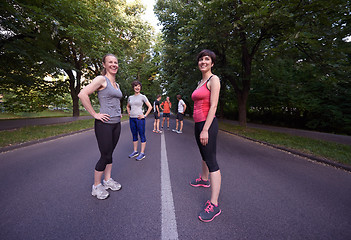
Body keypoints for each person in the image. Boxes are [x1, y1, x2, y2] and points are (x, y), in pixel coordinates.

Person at [78, 53, 123, 200]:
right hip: (104, 125)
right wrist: (95, 114)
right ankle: (96, 186)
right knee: (104, 156)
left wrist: (119, 113)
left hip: (116, 124)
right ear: (104, 64)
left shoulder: (117, 84)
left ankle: (107, 180)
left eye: (115, 62)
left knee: (110, 153)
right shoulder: (101, 79)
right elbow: (82, 94)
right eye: (110, 62)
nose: (113, 65)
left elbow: (115, 100)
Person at [190, 49, 221, 222]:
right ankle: (203, 179)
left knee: (211, 161)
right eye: (201, 59)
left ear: (212, 63)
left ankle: (214, 204)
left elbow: (214, 106)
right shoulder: (200, 81)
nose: (203, 62)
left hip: (207, 124)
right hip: (198, 123)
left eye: (207, 59)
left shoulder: (213, 79)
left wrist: (205, 129)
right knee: (203, 155)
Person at [126, 81, 152, 161]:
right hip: (132, 119)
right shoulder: (130, 97)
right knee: (134, 135)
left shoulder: (142, 96)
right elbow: (127, 106)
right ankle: (135, 151)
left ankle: (142, 153)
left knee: (141, 135)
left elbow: (150, 107)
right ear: (133, 87)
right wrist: (129, 113)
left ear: (140, 87)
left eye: (138, 86)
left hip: (140, 119)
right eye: (135, 86)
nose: (137, 87)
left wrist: (144, 115)